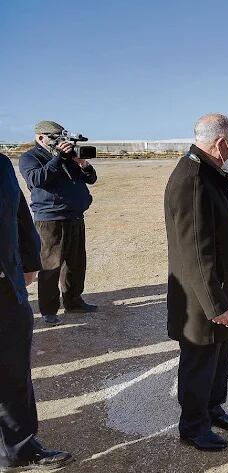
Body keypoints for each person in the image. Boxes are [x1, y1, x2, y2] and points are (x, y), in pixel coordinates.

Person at [164, 114, 228, 451]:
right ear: (220, 144)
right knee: (200, 360)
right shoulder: (194, 179)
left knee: (219, 354)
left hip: (218, 289)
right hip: (202, 297)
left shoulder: (211, 173)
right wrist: (215, 304)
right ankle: (194, 426)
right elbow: (194, 252)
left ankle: (213, 409)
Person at [1, 152, 73, 470]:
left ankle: (17, 449)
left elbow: (18, 212)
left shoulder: (2, 164)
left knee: (14, 369)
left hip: (6, 287)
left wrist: (30, 261)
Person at [18, 120, 98, 325]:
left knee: (76, 263)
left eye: (60, 137)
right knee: (51, 265)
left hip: (74, 216)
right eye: (54, 137)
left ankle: (74, 301)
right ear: (40, 138)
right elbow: (36, 179)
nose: (59, 141)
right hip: (51, 219)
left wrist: (84, 164)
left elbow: (90, 179)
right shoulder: (30, 157)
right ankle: (48, 309)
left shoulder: (67, 155)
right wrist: (58, 159)